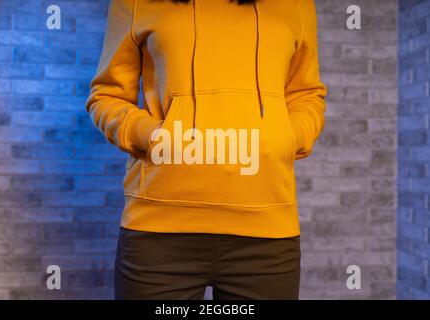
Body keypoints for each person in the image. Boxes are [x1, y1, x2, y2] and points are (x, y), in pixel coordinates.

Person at [86, 0, 327, 300]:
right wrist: (154, 137)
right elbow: (107, 96)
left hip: (266, 234)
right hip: (160, 233)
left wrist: (287, 137)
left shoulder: (296, 5)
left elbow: (306, 94)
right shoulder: (135, 2)